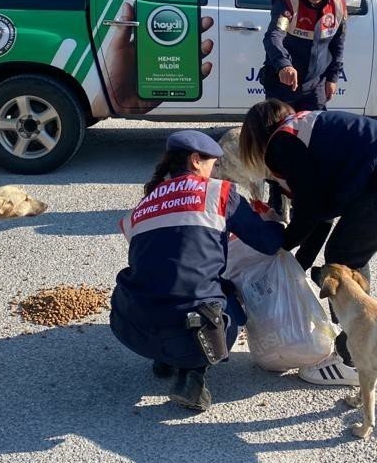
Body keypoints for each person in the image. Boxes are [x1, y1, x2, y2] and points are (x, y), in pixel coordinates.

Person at [239, 99, 377, 386]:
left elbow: (310, 209)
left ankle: (351, 361)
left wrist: (281, 244)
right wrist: (296, 266)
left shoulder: (282, 142)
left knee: (343, 257)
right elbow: (322, 215)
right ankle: (362, 348)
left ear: (255, 135)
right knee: (349, 254)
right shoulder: (303, 129)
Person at [110, 130, 283, 412]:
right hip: (194, 333)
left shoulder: (142, 206)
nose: (215, 172)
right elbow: (268, 243)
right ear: (195, 160)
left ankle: (164, 358)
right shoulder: (219, 192)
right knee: (230, 297)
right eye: (213, 164)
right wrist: (273, 220)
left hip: (131, 327)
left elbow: (166, 255)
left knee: (165, 282)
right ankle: (193, 375)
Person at [260, 0, 347, 112]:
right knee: (279, 133)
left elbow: (338, 44)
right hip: (283, 83)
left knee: (314, 133)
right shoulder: (287, 2)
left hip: (315, 87)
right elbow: (274, 36)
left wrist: (333, 78)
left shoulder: (338, 4)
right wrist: (284, 65)